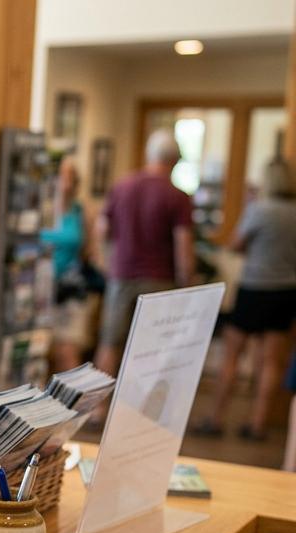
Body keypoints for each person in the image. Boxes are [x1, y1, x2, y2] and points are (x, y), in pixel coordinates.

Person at [198, 159, 296, 440]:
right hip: (286, 291)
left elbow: (235, 245)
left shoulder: (259, 210)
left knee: (231, 355)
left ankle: (215, 418)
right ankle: (258, 424)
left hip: (255, 287)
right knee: (271, 361)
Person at [92, 129, 195, 376]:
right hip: (159, 280)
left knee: (109, 342)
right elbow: (184, 246)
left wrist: (107, 265)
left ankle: (99, 409)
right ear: (174, 160)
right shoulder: (177, 196)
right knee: (151, 348)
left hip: (121, 275)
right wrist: (187, 283)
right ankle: (139, 408)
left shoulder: (122, 186)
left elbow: (101, 229)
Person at [41, 155, 97, 372]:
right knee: (43, 352)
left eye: (69, 177)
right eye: (60, 176)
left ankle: (68, 403)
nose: (64, 182)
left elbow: (90, 250)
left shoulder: (81, 212)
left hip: (70, 292)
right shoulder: (42, 211)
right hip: (44, 291)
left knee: (68, 352)